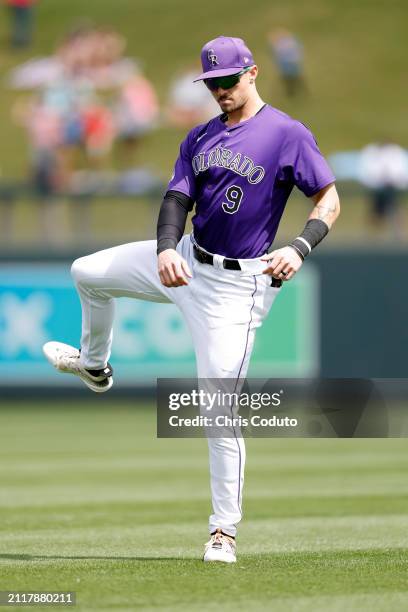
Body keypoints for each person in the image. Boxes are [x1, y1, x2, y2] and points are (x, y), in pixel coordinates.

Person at [42, 35, 340, 563]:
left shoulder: (286, 133)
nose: (220, 90)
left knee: (218, 410)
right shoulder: (200, 137)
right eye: (212, 83)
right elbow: (177, 197)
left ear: (252, 73)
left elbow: (328, 198)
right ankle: (94, 366)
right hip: (186, 259)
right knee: (86, 272)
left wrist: (300, 245)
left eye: (228, 80)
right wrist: (163, 250)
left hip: (236, 289)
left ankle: (223, 531)